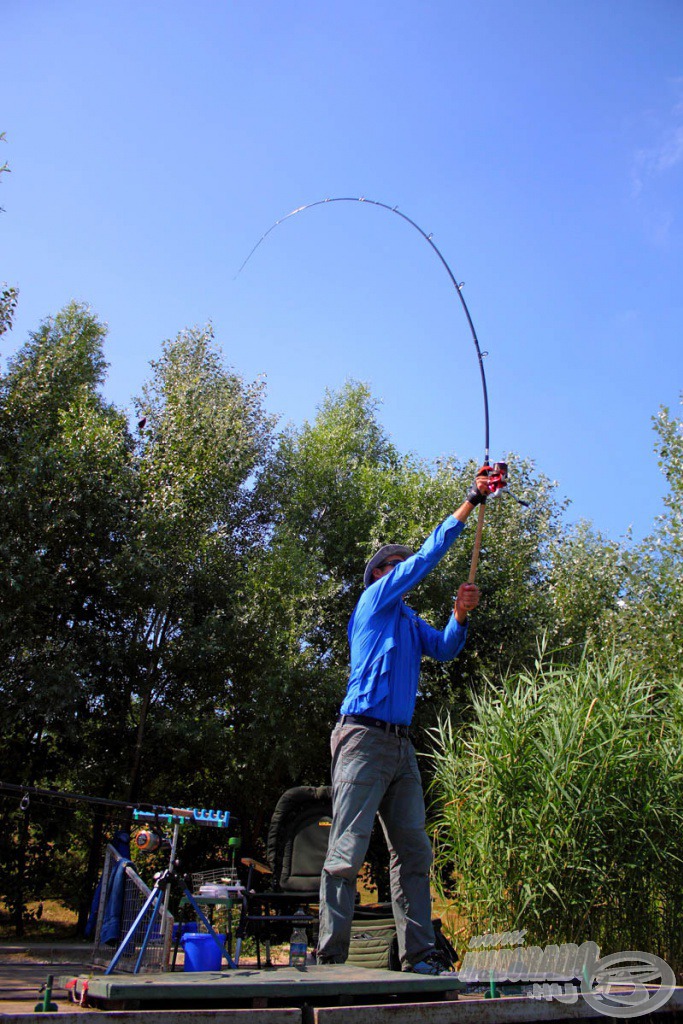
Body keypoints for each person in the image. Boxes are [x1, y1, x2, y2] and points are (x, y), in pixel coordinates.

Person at [317, 467, 493, 975]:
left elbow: (444, 649)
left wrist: (459, 614)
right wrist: (469, 502)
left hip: (400, 747)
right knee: (346, 852)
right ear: (379, 577)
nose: (401, 571)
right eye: (392, 566)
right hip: (361, 739)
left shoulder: (411, 623)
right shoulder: (372, 603)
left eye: (400, 565)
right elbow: (424, 559)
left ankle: (421, 957)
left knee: (414, 853)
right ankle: (331, 959)